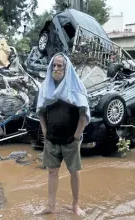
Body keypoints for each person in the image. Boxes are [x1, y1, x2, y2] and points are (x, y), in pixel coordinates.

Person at [34, 52, 91, 216]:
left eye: (60, 66)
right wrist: (44, 131)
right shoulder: (46, 87)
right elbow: (41, 111)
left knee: (74, 172)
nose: (56, 68)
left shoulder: (75, 87)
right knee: (52, 172)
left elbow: (83, 113)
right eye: (54, 65)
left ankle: (75, 205)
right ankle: (50, 206)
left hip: (70, 140)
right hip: (52, 139)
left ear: (66, 69)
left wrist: (77, 135)